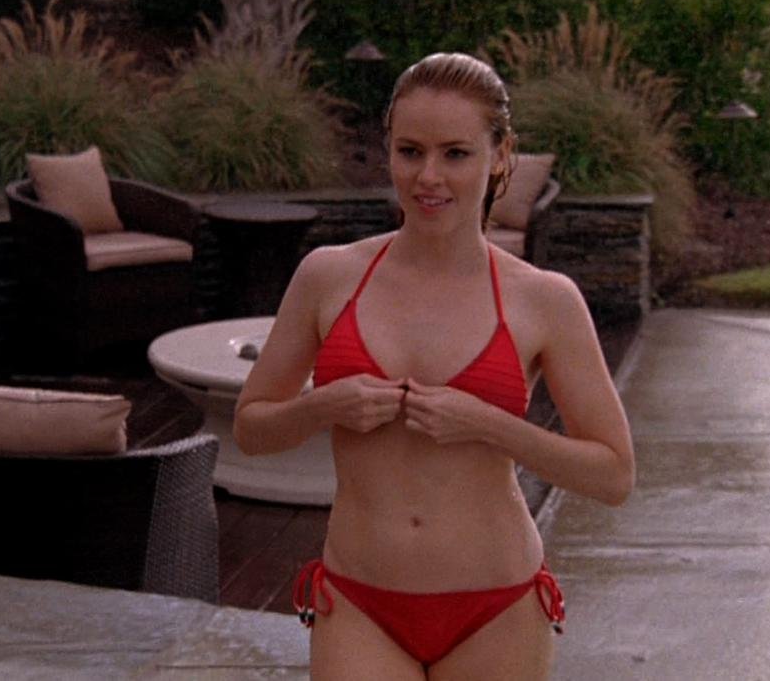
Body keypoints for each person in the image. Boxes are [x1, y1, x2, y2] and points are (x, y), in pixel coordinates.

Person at [233, 52, 634, 680]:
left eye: (455, 154)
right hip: (359, 600)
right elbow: (251, 430)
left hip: (496, 604)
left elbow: (613, 474)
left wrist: (488, 424)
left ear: (500, 156)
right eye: (410, 151)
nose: (428, 177)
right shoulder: (328, 277)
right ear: (388, 150)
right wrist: (324, 405)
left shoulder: (544, 300)